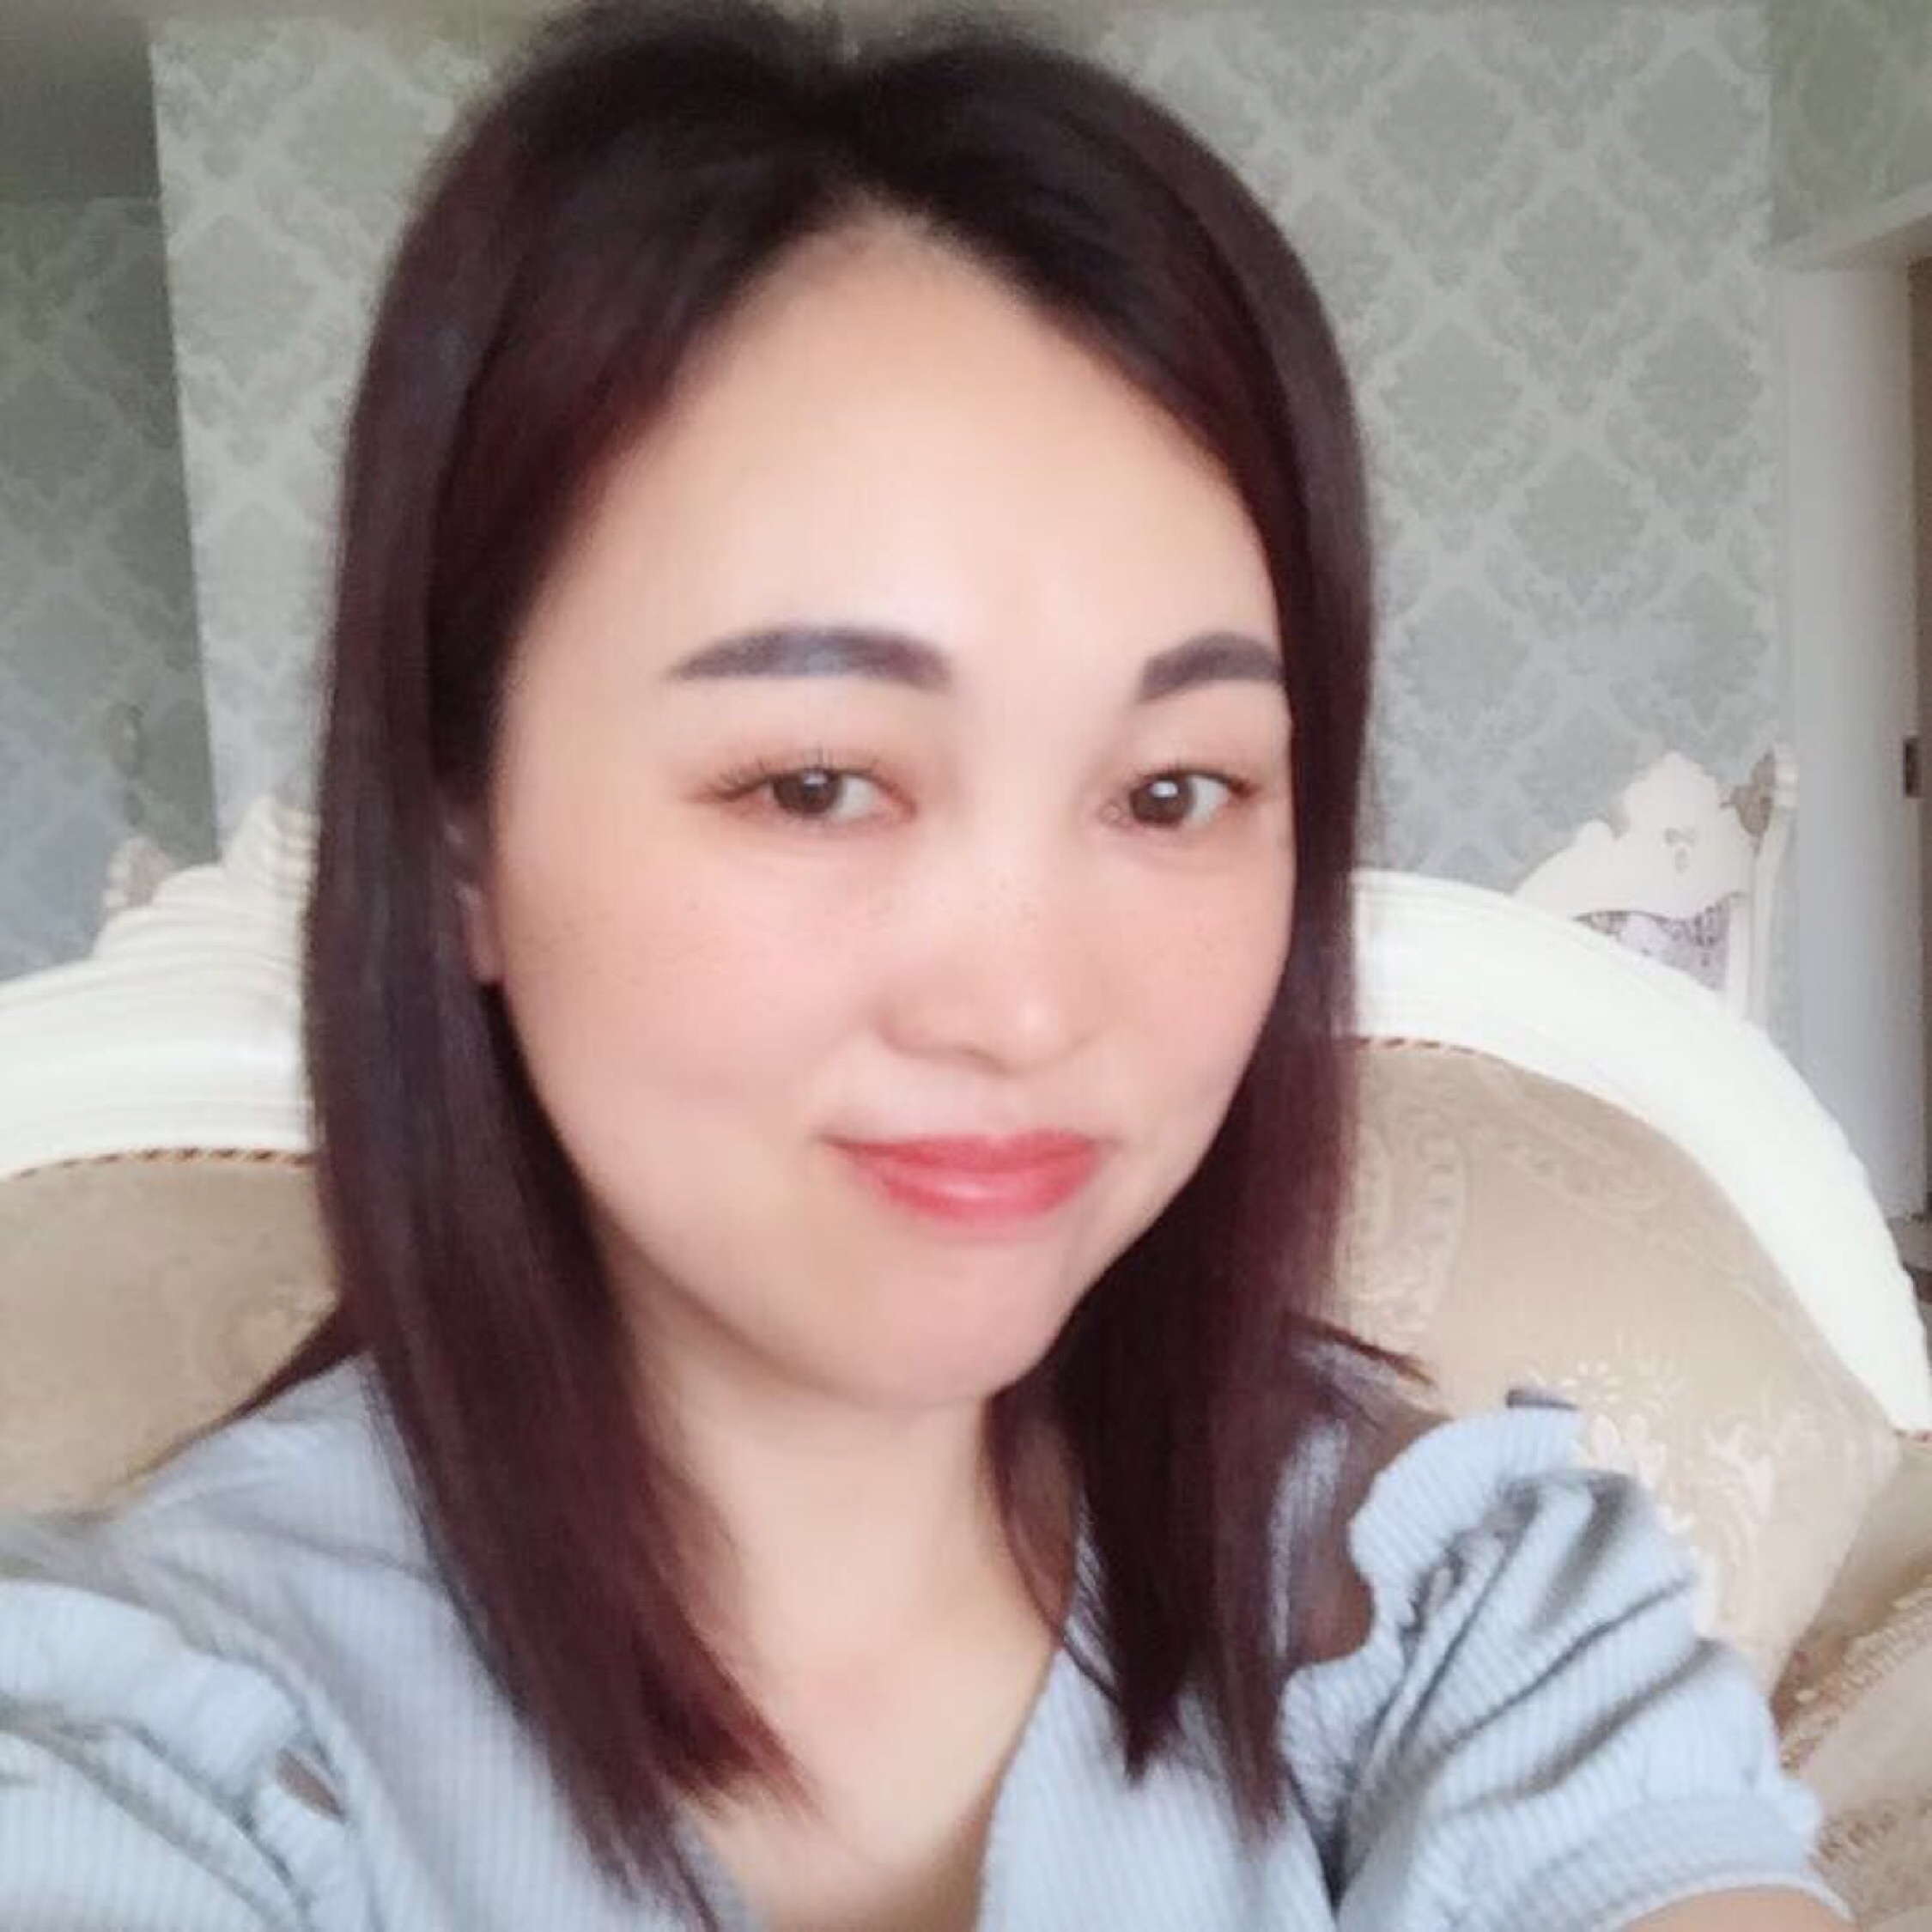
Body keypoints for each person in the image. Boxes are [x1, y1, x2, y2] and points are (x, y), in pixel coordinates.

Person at [0, 3, 1851, 1928]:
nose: (1029, 1011)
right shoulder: (142, 1751)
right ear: (455, 831)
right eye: (815, 783)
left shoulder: (1452, 1596)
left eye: (1174, 790)